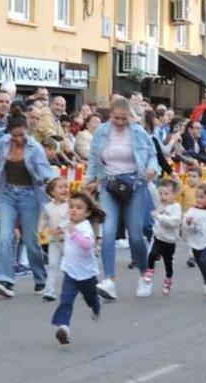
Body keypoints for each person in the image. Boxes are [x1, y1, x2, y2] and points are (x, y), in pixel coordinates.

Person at [85, 98, 160, 300]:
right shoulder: (102, 131)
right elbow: (93, 158)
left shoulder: (138, 132)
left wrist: (152, 169)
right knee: (108, 232)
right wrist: (89, 178)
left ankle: (145, 275)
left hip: (135, 184)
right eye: (116, 118)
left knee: (135, 234)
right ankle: (109, 280)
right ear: (110, 115)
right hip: (109, 185)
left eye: (123, 119)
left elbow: (153, 155)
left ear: (129, 116)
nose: (119, 122)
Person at [0, 113, 54, 298]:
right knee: (5, 237)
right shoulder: (3, 143)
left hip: (29, 196)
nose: (18, 139)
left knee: (31, 240)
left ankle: (40, 278)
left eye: (22, 135)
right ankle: (6, 280)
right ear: (9, 133)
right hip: (8, 194)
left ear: (27, 132)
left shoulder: (36, 148)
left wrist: (52, 186)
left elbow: (45, 171)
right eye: (14, 135)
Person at [50, 192, 104, 346]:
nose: (74, 210)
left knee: (91, 298)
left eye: (79, 208)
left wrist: (74, 234)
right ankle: (64, 328)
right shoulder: (69, 223)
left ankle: (96, 306)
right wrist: (57, 230)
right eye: (71, 207)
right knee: (66, 300)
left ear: (87, 213)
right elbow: (59, 228)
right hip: (70, 272)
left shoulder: (85, 228)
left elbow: (88, 246)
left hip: (86, 273)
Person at [144, 179, 182, 296]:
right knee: (152, 254)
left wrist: (158, 217)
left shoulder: (176, 208)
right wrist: (149, 181)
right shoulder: (160, 205)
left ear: (174, 194)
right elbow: (152, 191)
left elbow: (173, 222)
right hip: (159, 237)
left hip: (170, 241)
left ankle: (168, 280)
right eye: (161, 194)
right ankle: (150, 270)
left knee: (168, 262)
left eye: (166, 194)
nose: (163, 196)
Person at [38, 177, 69, 301]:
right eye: (60, 187)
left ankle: (83, 286)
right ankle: (50, 289)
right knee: (52, 264)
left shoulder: (70, 205)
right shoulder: (48, 207)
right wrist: (41, 232)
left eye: (66, 187)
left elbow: (70, 219)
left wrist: (61, 227)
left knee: (72, 265)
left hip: (69, 241)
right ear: (52, 192)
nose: (64, 189)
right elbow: (43, 220)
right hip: (54, 241)